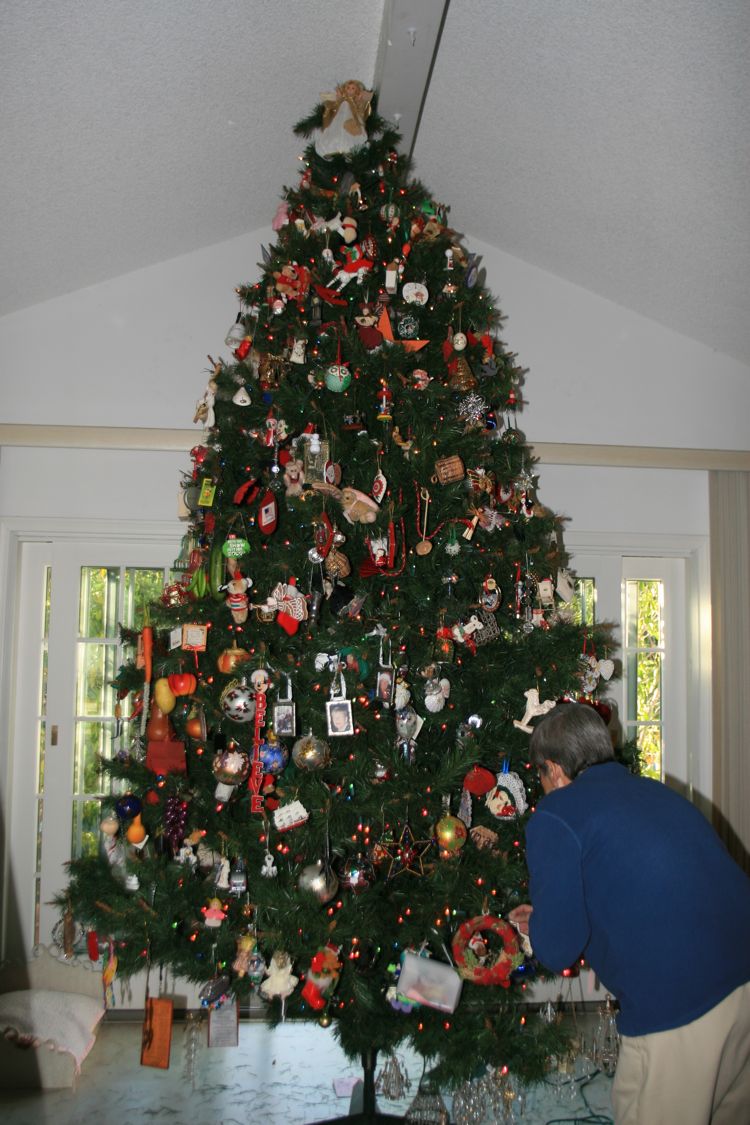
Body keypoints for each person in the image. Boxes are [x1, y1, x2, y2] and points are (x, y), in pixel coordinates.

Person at [508, 702, 750, 1124]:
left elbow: (559, 949)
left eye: (540, 774)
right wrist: (548, 914)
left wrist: (540, 930)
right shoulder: (653, 790)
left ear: (555, 770)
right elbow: (641, 889)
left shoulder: (556, 813)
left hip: (682, 1001)